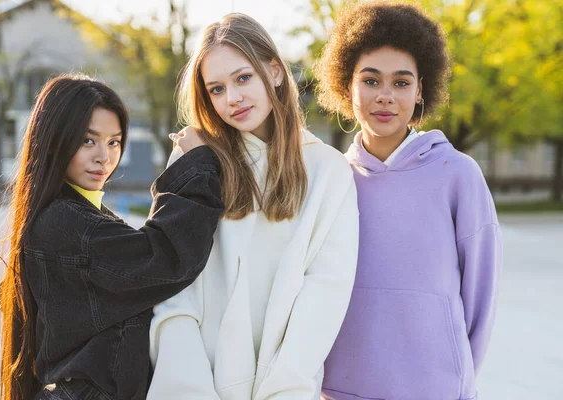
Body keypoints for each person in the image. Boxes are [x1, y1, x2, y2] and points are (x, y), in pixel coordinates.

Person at [147, 13, 359, 399]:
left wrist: (285, 391)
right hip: (194, 385)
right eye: (216, 89)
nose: (233, 99)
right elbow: (171, 288)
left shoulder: (329, 171)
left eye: (243, 78)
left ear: (275, 72)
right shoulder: (195, 161)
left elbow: (325, 293)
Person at [314, 2, 502, 399]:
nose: (385, 96)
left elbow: (481, 298)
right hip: (341, 390)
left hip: (433, 389)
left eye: (401, 83)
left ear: (421, 90)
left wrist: (455, 379)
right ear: (347, 86)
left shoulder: (459, 174)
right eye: (371, 80)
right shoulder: (330, 179)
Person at [0, 74, 224, 400]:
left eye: (114, 142)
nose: (104, 157)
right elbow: (166, 258)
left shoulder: (66, 216)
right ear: (54, 141)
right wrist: (197, 167)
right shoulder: (70, 225)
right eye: (87, 141)